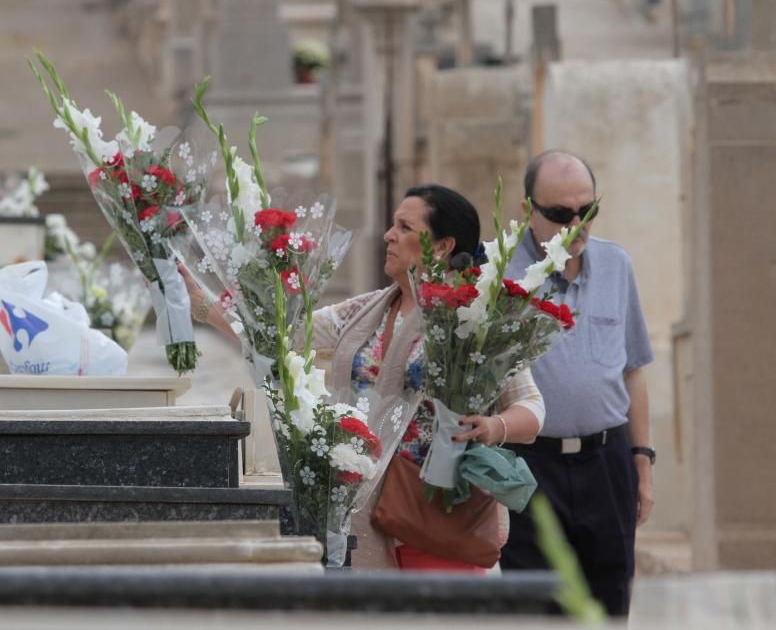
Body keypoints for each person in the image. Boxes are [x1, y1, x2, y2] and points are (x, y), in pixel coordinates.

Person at [183, 184, 546, 569]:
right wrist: (201, 303)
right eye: (392, 225)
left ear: (441, 246)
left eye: (405, 227)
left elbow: (532, 408)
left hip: (437, 516)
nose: (389, 235)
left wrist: (492, 427)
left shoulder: (475, 321)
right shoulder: (365, 311)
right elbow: (278, 335)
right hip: (360, 507)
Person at [499, 151, 654, 617]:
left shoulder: (616, 265)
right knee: (539, 608)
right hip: (528, 465)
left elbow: (633, 371)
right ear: (528, 210)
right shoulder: (495, 272)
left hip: (607, 462)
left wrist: (642, 464)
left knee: (610, 605)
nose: (576, 224)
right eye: (560, 214)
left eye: (587, 211)